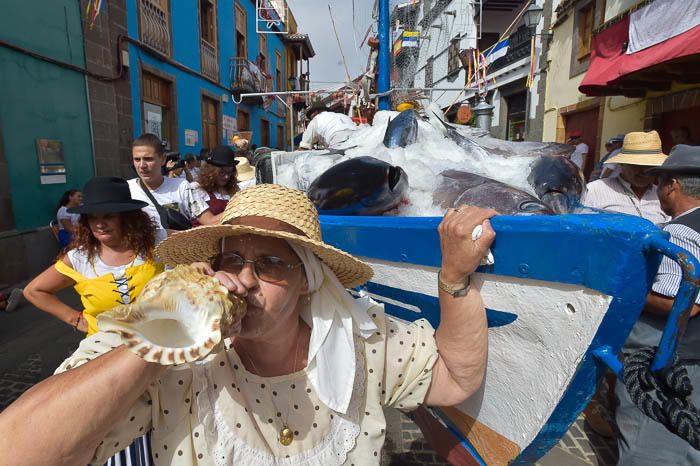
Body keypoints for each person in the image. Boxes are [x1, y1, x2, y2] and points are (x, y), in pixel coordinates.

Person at [0, 184, 493, 465]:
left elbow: (454, 380)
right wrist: (157, 339)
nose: (244, 280)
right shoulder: (175, 359)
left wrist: (453, 279)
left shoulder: (358, 339)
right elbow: (17, 449)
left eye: (271, 264)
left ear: (307, 280)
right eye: (231, 259)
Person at [23, 177, 164, 465]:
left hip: (159, 350)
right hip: (104, 356)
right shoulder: (80, 259)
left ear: (128, 217)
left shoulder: (156, 244)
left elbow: (193, 255)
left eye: (108, 215)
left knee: (162, 424)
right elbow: (34, 290)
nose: (99, 224)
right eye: (93, 217)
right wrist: (75, 319)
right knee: (111, 425)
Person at [615, 145, 700, 465]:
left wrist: (625, 290)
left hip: (675, 358)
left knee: (650, 443)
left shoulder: (679, 232)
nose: (657, 190)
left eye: (660, 182)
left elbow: (684, 303)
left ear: (673, 185)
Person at [128, 133, 220, 242]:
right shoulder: (126, 189)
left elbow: (210, 221)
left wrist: (239, 208)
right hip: (139, 258)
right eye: (137, 159)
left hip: (175, 256)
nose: (142, 165)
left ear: (162, 159)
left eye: (148, 159)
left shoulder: (182, 187)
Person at [583, 131, 669, 224]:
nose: (645, 171)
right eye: (638, 165)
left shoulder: (663, 195)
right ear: (622, 164)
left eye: (651, 166)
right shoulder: (594, 190)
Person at [191, 146, 240, 223]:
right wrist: (239, 212)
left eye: (229, 172)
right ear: (211, 171)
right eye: (222, 172)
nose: (226, 177)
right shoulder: (195, 189)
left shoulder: (234, 189)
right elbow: (208, 222)